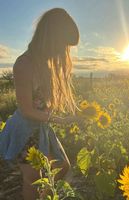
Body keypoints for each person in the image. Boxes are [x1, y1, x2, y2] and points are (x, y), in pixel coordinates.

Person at [0, 8, 81, 200]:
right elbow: (26, 109)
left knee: (62, 167)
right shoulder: (24, 64)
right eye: (63, 44)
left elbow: (44, 102)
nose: (64, 51)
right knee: (34, 179)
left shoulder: (44, 64)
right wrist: (59, 120)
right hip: (25, 130)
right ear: (51, 38)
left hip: (41, 128)